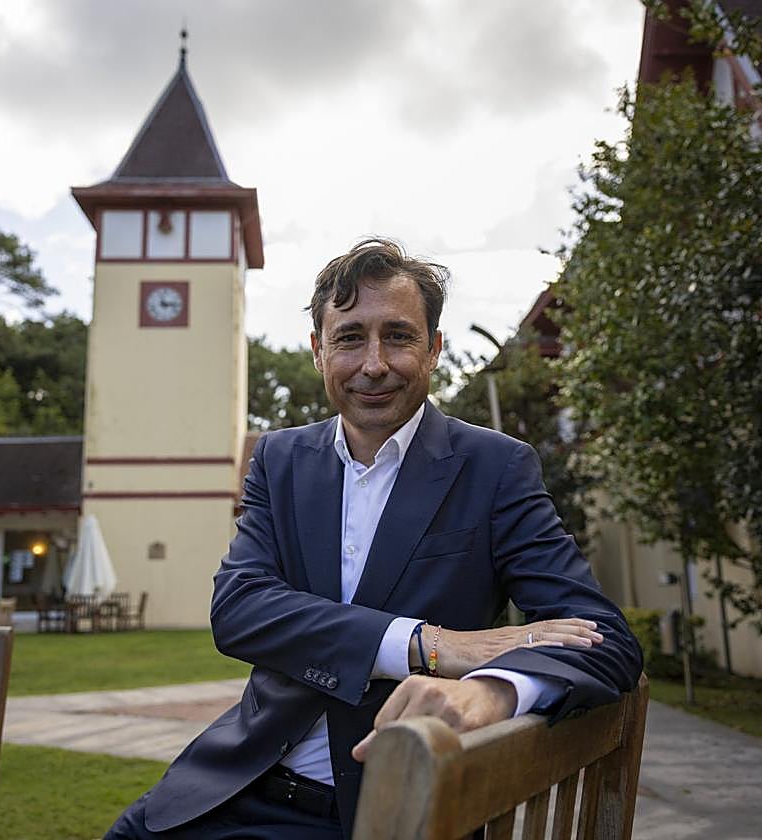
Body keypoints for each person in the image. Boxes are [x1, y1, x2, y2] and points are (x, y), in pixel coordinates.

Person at [105, 238, 642, 839]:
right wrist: (431, 645)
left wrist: (491, 691)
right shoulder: (279, 460)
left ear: (434, 349)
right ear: (319, 351)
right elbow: (239, 609)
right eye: (350, 338)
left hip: (386, 811)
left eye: (399, 336)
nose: (374, 363)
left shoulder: (495, 468)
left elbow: (605, 639)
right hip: (239, 783)